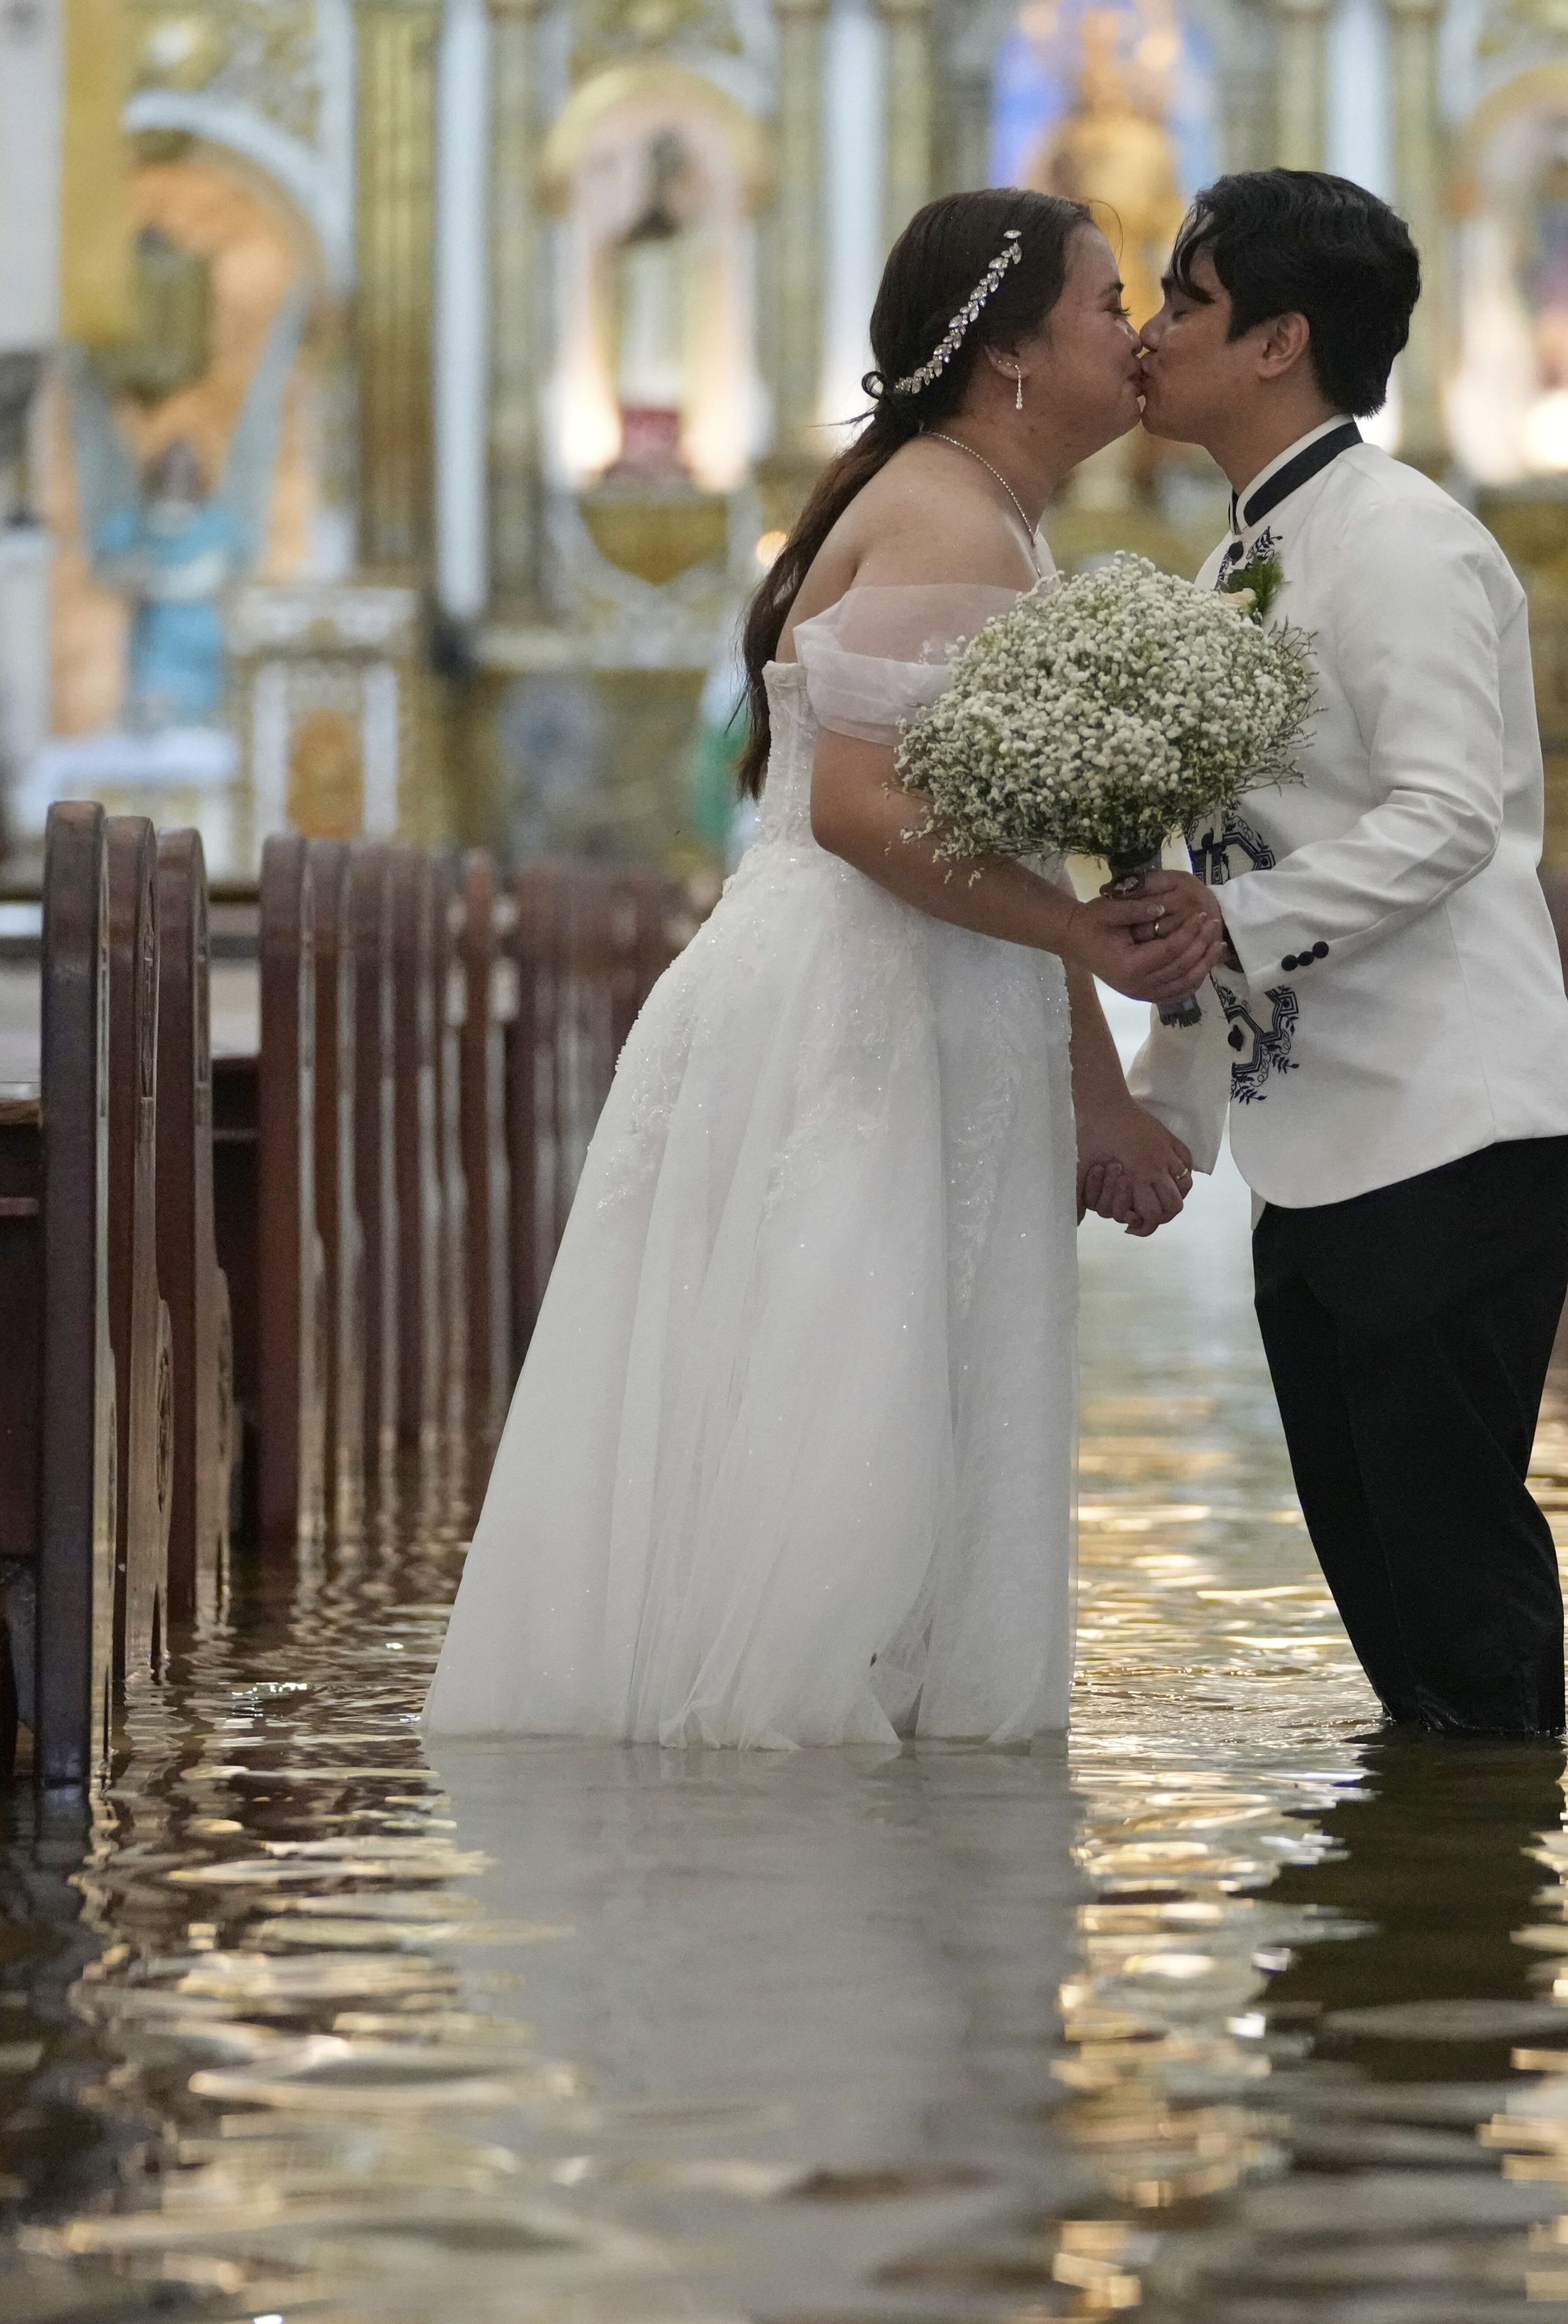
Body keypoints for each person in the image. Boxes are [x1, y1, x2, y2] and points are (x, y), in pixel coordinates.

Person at [424, 191, 1216, 1747]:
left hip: (915, 981)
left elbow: (993, 830)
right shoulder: (944, 515)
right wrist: (1080, 937)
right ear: (1008, 353)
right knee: (840, 1381)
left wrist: (1093, 1084)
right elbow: (859, 808)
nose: (1130, 336)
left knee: (884, 1374)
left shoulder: (982, 510)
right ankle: (795, 1800)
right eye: (1106, 302)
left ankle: (878, 1753)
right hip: (858, 996)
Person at [1120, 170, 1568, 1739]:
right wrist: (1166, 1108)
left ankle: (1492, 1878)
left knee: (1458, 1598)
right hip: (1316, 1137)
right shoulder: (1238, 561)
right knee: (1388, 1605)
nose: (1152, 333)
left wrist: (1230, 928)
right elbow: (1220, 854)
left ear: (1279, 342)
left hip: (1446, 1118)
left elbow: (1450, 814)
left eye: (1185, 301)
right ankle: (1432, 1867)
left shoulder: (1401, 540)